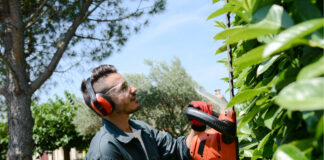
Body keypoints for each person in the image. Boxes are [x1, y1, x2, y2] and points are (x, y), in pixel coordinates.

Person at [81, 64, 211, 160]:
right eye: (124, 87)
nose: (134, 89)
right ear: (104, 104)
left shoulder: (142, 130)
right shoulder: (105, 151)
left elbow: (178, 150)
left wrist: (197, 127)